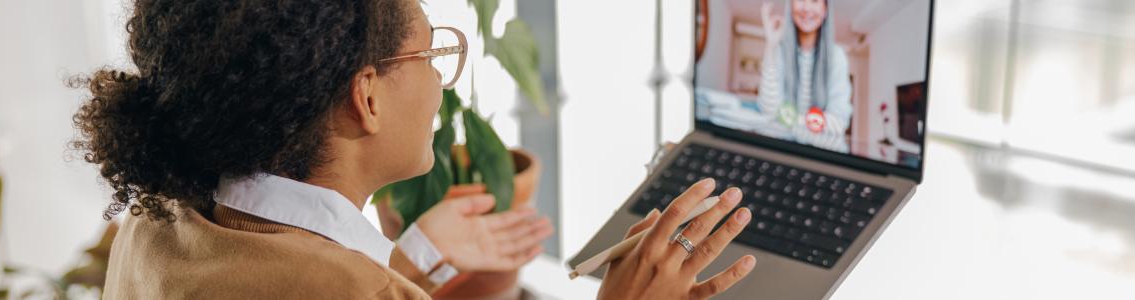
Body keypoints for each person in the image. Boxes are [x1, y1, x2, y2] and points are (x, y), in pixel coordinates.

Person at [72, 0, 756, 299]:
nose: (438, 78)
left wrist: (417, 257)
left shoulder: (158, 222)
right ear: (366, 98)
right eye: (429, 52)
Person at [757, 0, 853, 153]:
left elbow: (838, 123)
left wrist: (787, 122)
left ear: (825, 9)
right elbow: (768, 110)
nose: (806, 8)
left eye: (814, 1)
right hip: (783, 151)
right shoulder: (778, 50)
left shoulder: (837, 57)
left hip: (823, 155)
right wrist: (771, 44)